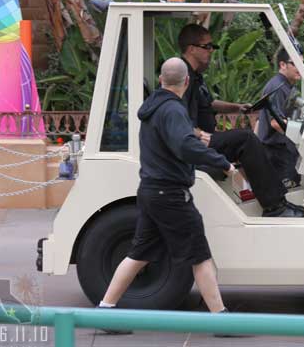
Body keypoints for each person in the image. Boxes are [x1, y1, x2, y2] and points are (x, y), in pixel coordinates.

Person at [97, 58, 234, 334]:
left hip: (150, 191)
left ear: (161, 80)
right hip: (170, 194)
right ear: (186, 82)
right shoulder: (173, 110)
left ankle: (105, 311)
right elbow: (186, 145)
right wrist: (223, 162)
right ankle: (221, 319)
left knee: (138, 253)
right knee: (200, 255)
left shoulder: (152, 109)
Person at [178, 24, 304, 218]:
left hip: (204, 138)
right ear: (192, 48)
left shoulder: (195, 77)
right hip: (195, 143)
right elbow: (177, 120)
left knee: (248, 139)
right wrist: (202, 135)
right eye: (207, 47)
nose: (211, 51)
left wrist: (237, 107)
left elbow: (209, 103)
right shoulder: (181, 76)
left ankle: (279, 201)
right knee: (246, 139)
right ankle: (274, 207)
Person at [258, 48, 302, 188]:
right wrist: (302, 135)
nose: (300, 68)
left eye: (302, 64)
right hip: (277, 153)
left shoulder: (286, 86)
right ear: (283, 65)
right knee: (288, 192)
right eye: (295, 63)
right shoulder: (277, 86)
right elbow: (275, 123)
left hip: (283, 150)